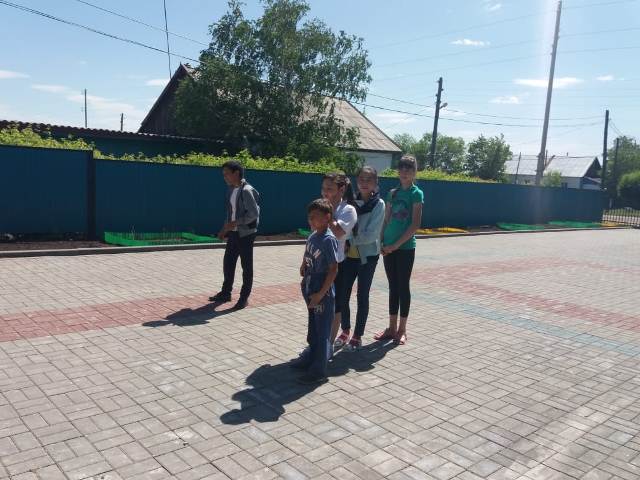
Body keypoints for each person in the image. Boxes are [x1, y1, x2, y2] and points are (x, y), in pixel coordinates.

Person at [334, 166, 385, 351]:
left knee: (362, 296)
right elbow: (342, 226)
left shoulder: (379, 204)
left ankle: (357, 335)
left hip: (367, 257)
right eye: (361, 179)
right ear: (357, 181)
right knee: (343, 294)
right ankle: (345, 330)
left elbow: (371, 235)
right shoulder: (349, 202)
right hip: (349, 256)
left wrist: (348, 237)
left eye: (369, 179)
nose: (364, 182)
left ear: (376, 183)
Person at [375, 155, 423, 345]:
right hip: (388, 247)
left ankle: (402, 330)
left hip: (405, 248)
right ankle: (391, 328)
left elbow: (415, 224)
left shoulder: (416, 194)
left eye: (409, 168)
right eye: (402, 167)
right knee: (392, 287)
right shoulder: (392, 193)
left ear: (414, 172)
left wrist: (395, 245)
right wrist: (381, 240)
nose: (404, 171)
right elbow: (386, 219)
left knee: (403, 287)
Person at [291, 198, 339, 384]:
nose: (310, 220)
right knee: (313, 328)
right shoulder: (313, 235)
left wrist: (320, 294)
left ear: (327, 217)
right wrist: (303, 264)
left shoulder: (328, 240)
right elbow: (307, 251)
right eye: (309, 217)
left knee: (322, 331)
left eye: (315, 217)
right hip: (310, 283)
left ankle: (318, 370)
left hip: (322, 289)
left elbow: (333, 269)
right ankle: (310, 358)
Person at [209, 160, 260, 310]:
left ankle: (244, 298)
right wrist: (224, 229)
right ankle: (226, 293)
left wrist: (236, 222)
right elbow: (230, 213)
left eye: (226, 174)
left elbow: (253, 214)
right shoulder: (231, 189)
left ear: (236, 173)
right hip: (233, 233)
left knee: (246, 267)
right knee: (228, 263)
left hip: (246, 234)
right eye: (223, 174)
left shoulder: (247, 190)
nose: (224, 177)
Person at [321, 173, 358, 348]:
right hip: (320, 264)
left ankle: (328, 345)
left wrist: (327, 214)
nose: (325, 193)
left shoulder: (348, 210)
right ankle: (318, 342)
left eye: (330, 189)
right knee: (319, 303)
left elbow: (338, 233)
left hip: (337, 265)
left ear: (341, 190)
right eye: (323, 188)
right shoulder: (321, 207)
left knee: (335, 305)